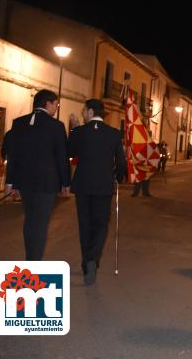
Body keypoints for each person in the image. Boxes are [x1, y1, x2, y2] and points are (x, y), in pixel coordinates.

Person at [6, 89, 70, 260]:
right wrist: (65, 183)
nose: (56, 107)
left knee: (29, 220)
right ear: (47, 103)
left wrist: (10, 182)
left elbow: (13, 155)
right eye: (56, 104)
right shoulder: (56, 126)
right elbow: (62, 157)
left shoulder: (18, 123)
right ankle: (34, 262)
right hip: (47, 183)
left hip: (24, 182)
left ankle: (30, 257)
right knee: (41, 223)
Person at [68, 99, 127, 285]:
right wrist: (119, 177)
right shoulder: (114, 133)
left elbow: (69, 152)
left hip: (83, 185)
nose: (83, 113)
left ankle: (87, 263)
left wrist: (75, 130)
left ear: (91, 111)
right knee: (101, 225)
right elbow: (121, 160)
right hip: (103, 185)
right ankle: (93, 259)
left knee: (84, 224)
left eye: (84, 110)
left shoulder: (78, 132)